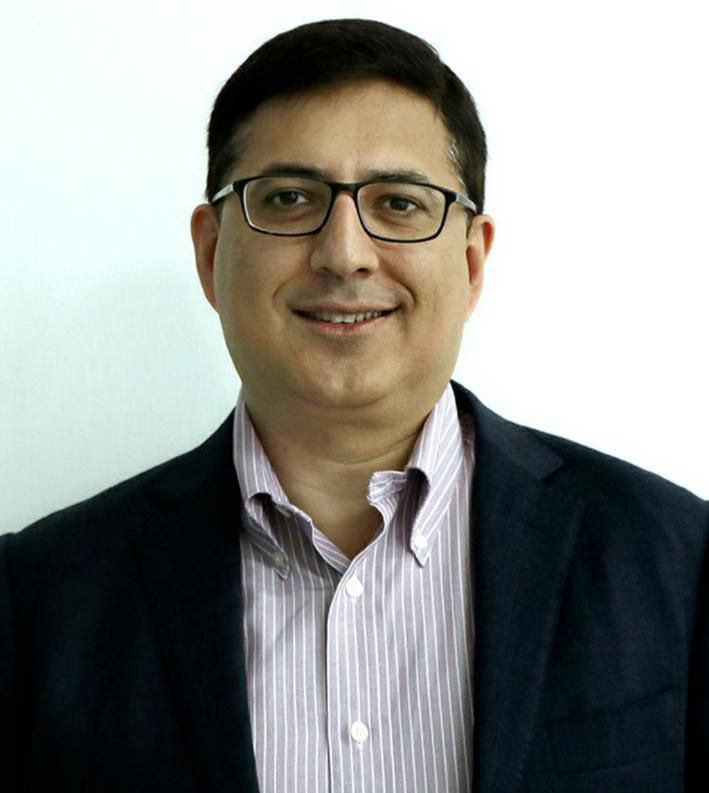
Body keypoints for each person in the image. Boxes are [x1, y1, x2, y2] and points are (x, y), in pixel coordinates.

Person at [0, 17, 706, 793]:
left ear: (471, 261)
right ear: (210, 252)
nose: (344, 253)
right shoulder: (37, 601)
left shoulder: (676, 558)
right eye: (289, 197)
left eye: (399, 203)